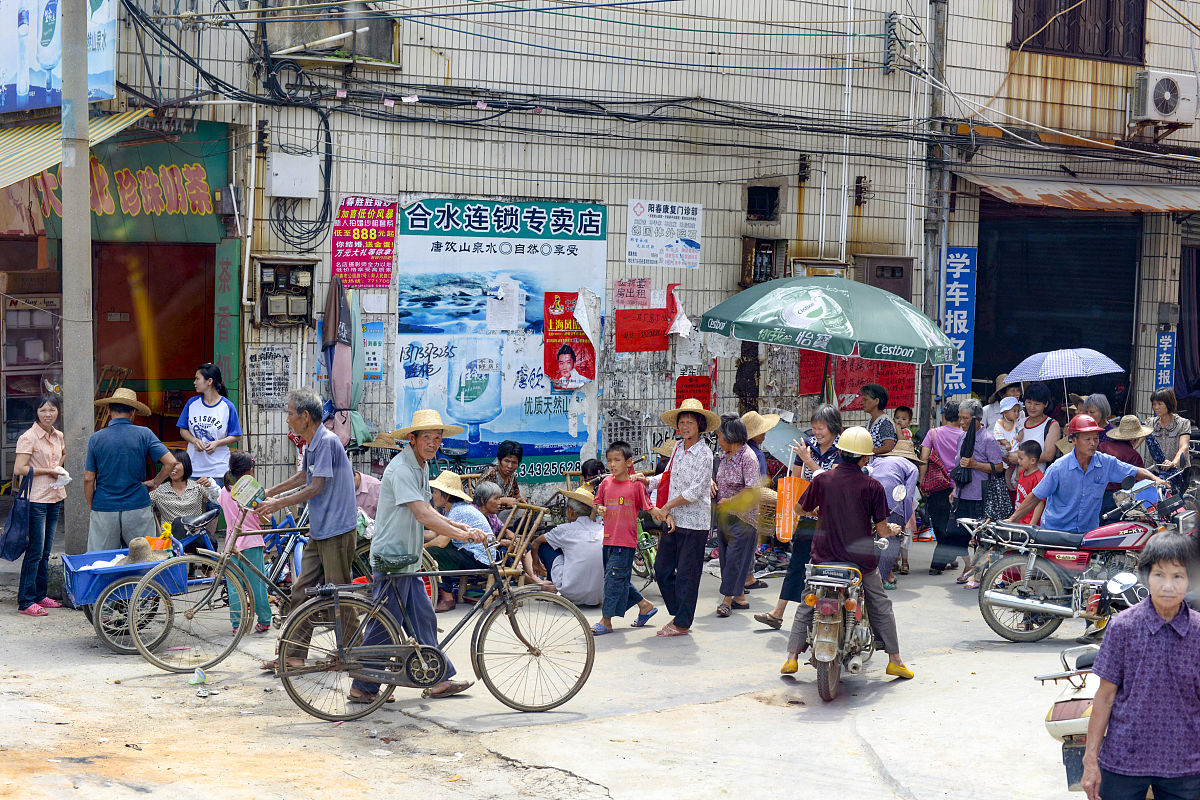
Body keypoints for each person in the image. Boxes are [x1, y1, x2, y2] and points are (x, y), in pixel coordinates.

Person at [348, 409, 487, 703]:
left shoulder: (420, 466)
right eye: (427, 438)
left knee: (423, 618)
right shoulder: (401, 469)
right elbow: (422, 514)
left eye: (437, 438)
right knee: (384, 625)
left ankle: (437, 678)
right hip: (392, 558)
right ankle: (363, 686)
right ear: (412, 439)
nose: (433, 443)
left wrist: (459, 526)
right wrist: (462, 535)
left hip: (407, 560)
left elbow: (429, 509)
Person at [780, 426, 913, 680]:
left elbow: (798, 509)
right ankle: (895, 660)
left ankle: (791, 657)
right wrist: (893, 529)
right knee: (880, 603)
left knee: (807, 602)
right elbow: (882, 530)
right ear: (865, 458)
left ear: (840, 452)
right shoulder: (873, 486)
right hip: (859, 563)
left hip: (823, 559)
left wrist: (816, 511)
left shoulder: (823, 480)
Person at [1081, 533, 1200, 800]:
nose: (1168, 585)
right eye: (1159, 575)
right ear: (1146, 577)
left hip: (1186, 765)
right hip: (1124, 760)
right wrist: (1090, 760)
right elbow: (1105, 697)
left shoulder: (1198, 631)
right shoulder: (1123, 627)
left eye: (1178, 576)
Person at [256, 388, 359, 673]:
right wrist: (269, 492)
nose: (287, 419)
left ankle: (356, 655)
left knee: (340, 596)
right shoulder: (312, 444)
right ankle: (294, 655)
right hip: (320, 529)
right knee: (301, 591)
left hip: (337, 530)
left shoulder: (326, 441)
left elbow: (316, 487)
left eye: (290, 413)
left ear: (305, 416)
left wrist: (277, 503)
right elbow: (303, 476)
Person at [755, 404, 843, 631]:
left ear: (833, 428)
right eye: (814, 427)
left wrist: (808, 460)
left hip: (832, 520)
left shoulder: (842, 450)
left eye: (822, 428)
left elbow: (832, 483)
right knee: (797, 564)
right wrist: (801, 508)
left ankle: (825, 619)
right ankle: (777, 613)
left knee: (826, 570)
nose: (817, 433)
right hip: (808, 516)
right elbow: (796, 481)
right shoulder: (807, 446)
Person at [638, 398, 718, 637]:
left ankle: (682, 622)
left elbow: (695, 492)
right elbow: (667, 476)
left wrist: (666, 507)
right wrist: (647, 480)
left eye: (689, 422)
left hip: (694, 523)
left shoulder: (705, 454)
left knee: (687, 574)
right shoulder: (677, 448)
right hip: (673, 519)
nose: (684, 427)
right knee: (662, 569)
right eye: (682, 422)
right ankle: (680, 612)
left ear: (699, 425)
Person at [1008, 415, 1167, 534]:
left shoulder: (1106, 463)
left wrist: (1156, 479)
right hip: (1056, 533)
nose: (1093, 443)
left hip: (1088, 533)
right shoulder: (1058, 468)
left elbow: (1135, 471)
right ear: (1074, 440)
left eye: (1095, 438)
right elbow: (1035, 496)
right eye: (1087, 439)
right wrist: (1012, 520)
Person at [85, 388, 177, 551]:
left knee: (102, 560)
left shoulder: (96, 438)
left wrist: (92, 505)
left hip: (104, 506)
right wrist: (155, 482)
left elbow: (88, 478)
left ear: (109, 410)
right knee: (143, 558)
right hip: (137, 505)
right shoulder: (144, 434)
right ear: (133, 412)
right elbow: (170, 462)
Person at [591, 441, 657, 634]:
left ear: (628, 462)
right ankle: (645, 606)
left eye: (617, 460)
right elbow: (597, 503)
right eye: (609, 460)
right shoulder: (605, 483)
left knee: (613, 581)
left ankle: (606, 621)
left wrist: (664, 514)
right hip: (608, 540)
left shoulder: (636, 485)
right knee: (616, 577)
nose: (612, 464)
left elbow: (649, 507)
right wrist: (599, 509)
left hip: (625, 542)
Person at [13, 394, 66, 617]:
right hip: (36, 499)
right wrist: (49, 471)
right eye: (43, 410)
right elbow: (19, 468)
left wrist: (58, 468)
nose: (48, 414)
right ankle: (25, 601)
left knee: (45, 552)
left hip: (54, 496)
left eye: (52, 409)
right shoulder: (28, 437)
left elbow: (63, 453)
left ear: (58, 411)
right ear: (36, 412)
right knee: (34, 551)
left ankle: (40, 594)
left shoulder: (59, 435)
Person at [944, 398, 1004, 583]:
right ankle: (969, 566)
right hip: (962, 493)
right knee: (956, 534)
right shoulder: (962, 437)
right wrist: (955, 488)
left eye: (965, 418)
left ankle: (978, 576)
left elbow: (999, 467)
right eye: (960, 418)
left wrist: (975, 464)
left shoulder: (988, 439)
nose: (961, 422)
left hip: (980, 495)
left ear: (977, 419)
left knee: (981, 538)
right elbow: (958, 465)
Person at [425, 471, 499, 612]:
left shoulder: (458, 511)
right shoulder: (452, 510)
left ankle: (448, 599)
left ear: (446, 495)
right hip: (470, 553)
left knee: (433, 552)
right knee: (434, 549)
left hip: (479, 558)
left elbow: (441, 542)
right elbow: (436, 533)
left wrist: (424, 547)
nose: (433, 496)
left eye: (435, 492)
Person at [217, 451, 271, 634]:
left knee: (234, 585)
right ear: (250, 471)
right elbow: (264, 518)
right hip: (251, 542)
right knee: (257, 585)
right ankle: (264, 620)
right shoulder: (252, 492)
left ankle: (237, 624)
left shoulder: (224, 492)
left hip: (231, 544)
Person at [713, 416, 761, 618]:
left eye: (720, 436)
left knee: (734, 559)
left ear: (730, 436)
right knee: (726, 559)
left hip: (743, 518)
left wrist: (730, 501)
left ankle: (727, 600)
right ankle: (740, 597)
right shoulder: (724, 456)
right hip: (725, 517)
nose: (718, 440)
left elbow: (752, 490)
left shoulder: (748, 457)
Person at [530, 486, 604, 607]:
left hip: (571, 593)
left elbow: (535, 543)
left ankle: (552, 586)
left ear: (570, 511)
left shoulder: (565, 530)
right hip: (599, 595)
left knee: (545, 545)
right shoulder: (603, 530)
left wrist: (535, 563)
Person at [176, 363, 242, 482]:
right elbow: (183, 430)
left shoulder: (227, 406)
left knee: (216, 495)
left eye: (197, 379)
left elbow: (236, 435)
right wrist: (194, 440)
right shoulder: (192, 403)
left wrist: (217, 443)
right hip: (193, 468)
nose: (194, 382)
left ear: (209, 381)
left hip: (218, 470)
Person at [869, 438, 920, 590]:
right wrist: (903, 522)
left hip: (870, 499)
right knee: (893, 540)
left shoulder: (878, 461)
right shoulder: (912, 467)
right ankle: (882, 579)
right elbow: (908, 496)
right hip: (893, 502)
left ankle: (874, 577)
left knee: (876, 539)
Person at [919, 401, 964, 573]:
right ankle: (947, 558)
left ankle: (937, 564)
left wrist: (922, 481)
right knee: (951, 524)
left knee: (938, 523)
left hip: (936, 484)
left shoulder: (933, 433)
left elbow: (924, 458)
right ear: (960, 417)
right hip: (958, 486)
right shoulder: (964, 436)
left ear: (945, 415)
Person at [149, 450, 219, 532]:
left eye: (176, 464)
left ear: (186, 465)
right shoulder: (159, 491)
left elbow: (217, 499)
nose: (172, 468)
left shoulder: (198, 487)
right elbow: (142, 505)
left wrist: (210, 485)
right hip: (170, 537)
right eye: (169, 465)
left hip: (194, 536)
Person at [1098, 415, 1149, 517]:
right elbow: (1138, 485)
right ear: (1135, 438)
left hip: (1097, 496)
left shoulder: (1102, 446)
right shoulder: (1133, 456)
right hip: (1119, 501)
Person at [1147, 387, 1190, 493]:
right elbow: (1137, 441)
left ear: (1169, 404)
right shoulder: (1150, 423)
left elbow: (1184, 447)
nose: (1156, 407)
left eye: (1159, 404)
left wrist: (1173, 463)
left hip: (1178, 473)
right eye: (1154, 404)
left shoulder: (1183, 423)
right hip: (1157, 472)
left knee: (1174, 500)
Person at [1012, 382, 1060, 472]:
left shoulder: (1052, 425)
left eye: (1037, 404)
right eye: (1029, 402)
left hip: (1038, 478)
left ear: (1046, 404)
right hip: (1016, 477)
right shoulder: (1020, 422)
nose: (1032, 407)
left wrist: (1019, 457)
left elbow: (1048, 455)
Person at [477, 440, 525, 507]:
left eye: (514, 462)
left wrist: (521, 500)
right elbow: (480, 502)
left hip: (508, 511)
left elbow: (517, 496)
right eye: (506, 461)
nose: (510, 466)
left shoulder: (512, 476)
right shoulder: (490, 475)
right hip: (491, 512)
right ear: (499, 461)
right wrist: (503, 501)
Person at [1013, 441, 1045, 525]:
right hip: (1019, 520)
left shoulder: (1038, 478)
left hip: (1028, 523)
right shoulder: (1022, 472)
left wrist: (1031, 525)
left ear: (1033, 460)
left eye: (1021, 459)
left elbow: (1040, 503)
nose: (1018, 461)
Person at [741, 409, 779, 478]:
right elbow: (762, 479)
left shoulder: (737, 451)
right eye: (762, 432)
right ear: (755, 435)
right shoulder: (758, 455)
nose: (764, 434)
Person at [861, 383, 897, 457]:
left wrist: (869, 452)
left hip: (881, 463)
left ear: (876, 401)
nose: (862, 402)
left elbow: (889, 447)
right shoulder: (869, 421)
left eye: (865, 400)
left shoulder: (885, 422)